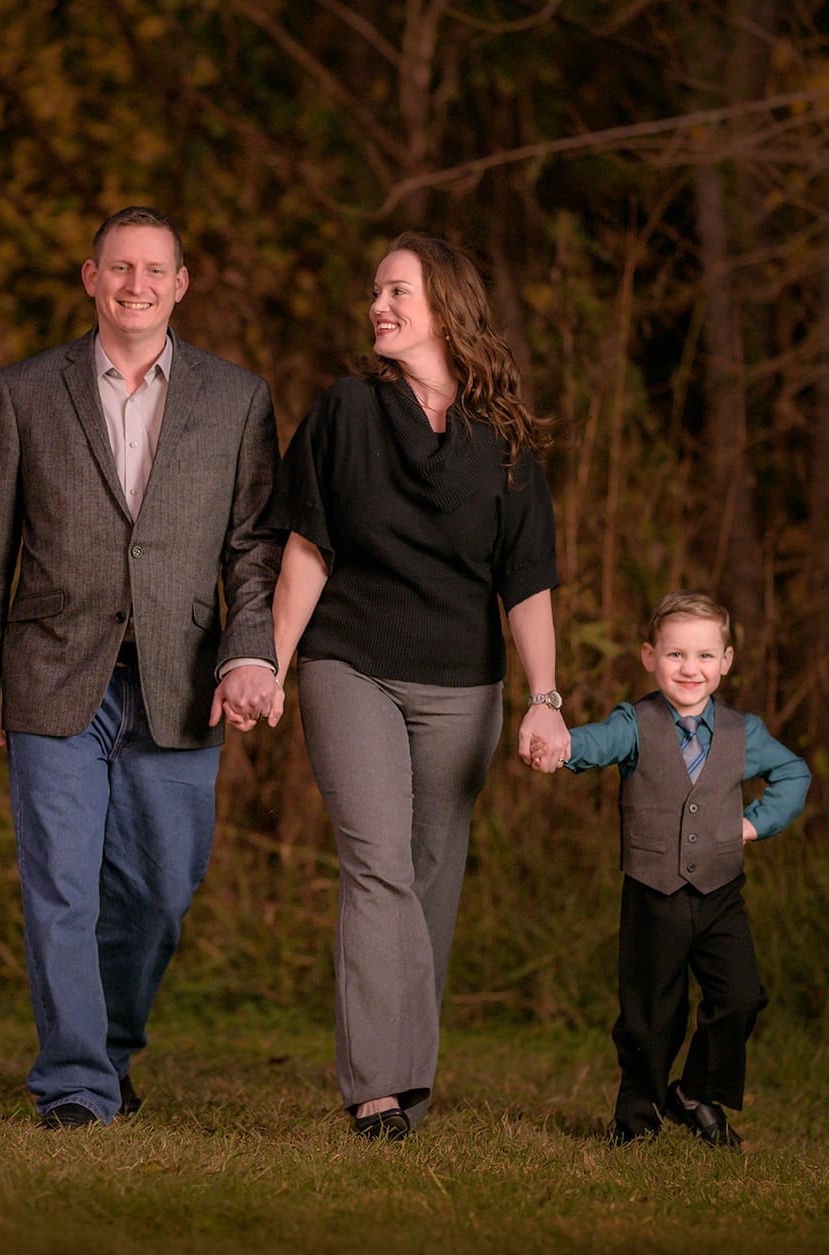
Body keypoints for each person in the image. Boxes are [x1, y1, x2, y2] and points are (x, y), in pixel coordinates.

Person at [0, 206, 283, 1129]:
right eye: (119, 268)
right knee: (60, 883)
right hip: (54, 673)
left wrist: (251, 651)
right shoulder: (25, 392)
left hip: (182, 680)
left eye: (155, 270)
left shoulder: (238, 399)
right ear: (90, 278)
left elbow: (255, 551)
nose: (137, 284)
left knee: (161, 890)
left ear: (181, 286)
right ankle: (76, 1086)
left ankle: (111, 1048)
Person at [263, 233, 568, 1139]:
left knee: (432, 877)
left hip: (463, 687)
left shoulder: (505, 438)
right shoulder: (346, 411)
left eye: (397, 290)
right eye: (374, 292)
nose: (378, 306)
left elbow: (529, 581)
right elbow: (307, 550)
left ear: (447, 304)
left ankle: (409, 1078)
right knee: (377, 862)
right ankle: (377, 1089)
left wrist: (546, 697)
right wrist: (271, 667)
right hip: (349, 660)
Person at [547, 590, 811, 1148]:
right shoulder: (635, 722)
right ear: (649, 656)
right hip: (653, 894)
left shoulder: (744, 733)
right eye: (675, 655)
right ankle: (636, 1121)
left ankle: (694, 1091)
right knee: (649, 1015)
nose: (690, 668)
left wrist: (753, 824)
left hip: (720, 895)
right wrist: (561, 744)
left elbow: (794, 773)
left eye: (704, 656)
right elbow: (595, 742)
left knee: (741, 994)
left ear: (726, 661)